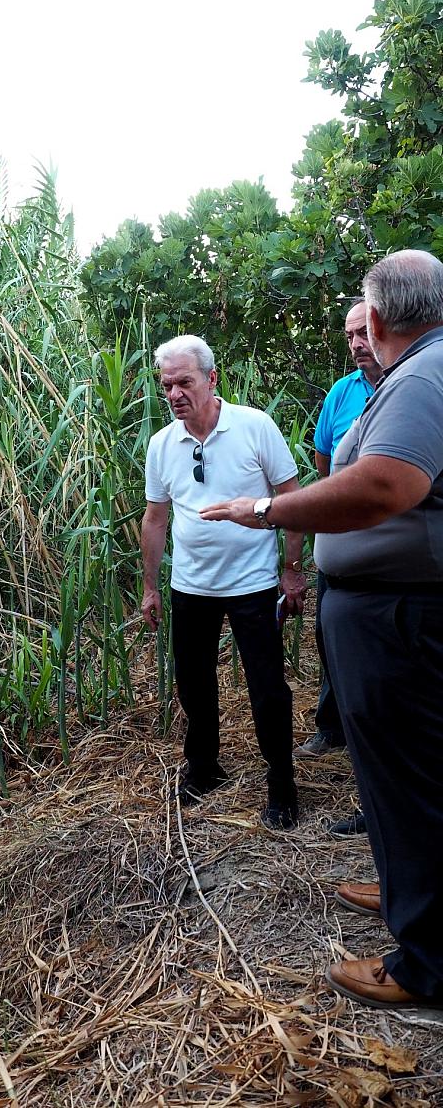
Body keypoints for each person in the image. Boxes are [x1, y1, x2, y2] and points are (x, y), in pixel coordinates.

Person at [199, 249, 443, 1010]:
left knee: (415, 778)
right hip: (386, 607)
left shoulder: (425, 374)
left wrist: (264, 512)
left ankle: (425, 963)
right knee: (402, 777)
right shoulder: (413, 374)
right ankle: (410, 888)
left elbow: (384, 483)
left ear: (376, 318)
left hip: (403, 614)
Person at [141, 335, 307, 830]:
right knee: (193, 684)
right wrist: (150, 586)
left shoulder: (254, 426)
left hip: (253, 585)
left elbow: (291, 496)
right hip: (191, 587)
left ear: (212, 380)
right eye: (165, 385)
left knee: (267, 689)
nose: (173, 394)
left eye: (184, 382)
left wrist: (292, 569)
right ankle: (204, 767)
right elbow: (154, 518)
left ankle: (282, 781)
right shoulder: (162, 444)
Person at [298, 298, 384, 838]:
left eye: (361, 332)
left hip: (394, 569)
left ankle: (379, 806)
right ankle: (332, 726)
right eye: (348, 335)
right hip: (342, 556)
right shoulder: (342, 393)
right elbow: (324, 466)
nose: (355, 343)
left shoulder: (412, 384)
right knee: (334, 647)